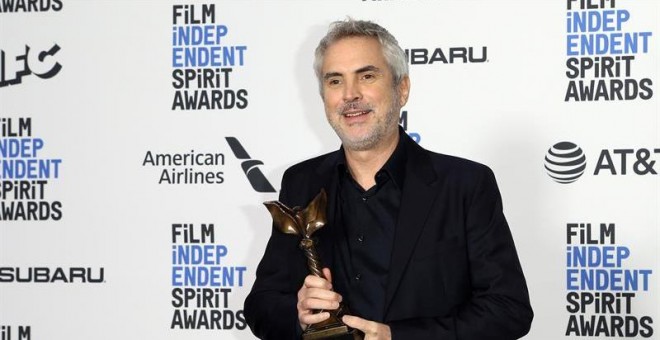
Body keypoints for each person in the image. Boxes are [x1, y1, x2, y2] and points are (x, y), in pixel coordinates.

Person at [244, 19, 533, 340]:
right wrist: (298, 314)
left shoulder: (465, 185)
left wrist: (399, 336)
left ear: (402, 88)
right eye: (335, 81)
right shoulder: (301, 181)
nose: (350, 95)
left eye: (367, 76)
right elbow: (262, 305)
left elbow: (509, 310)